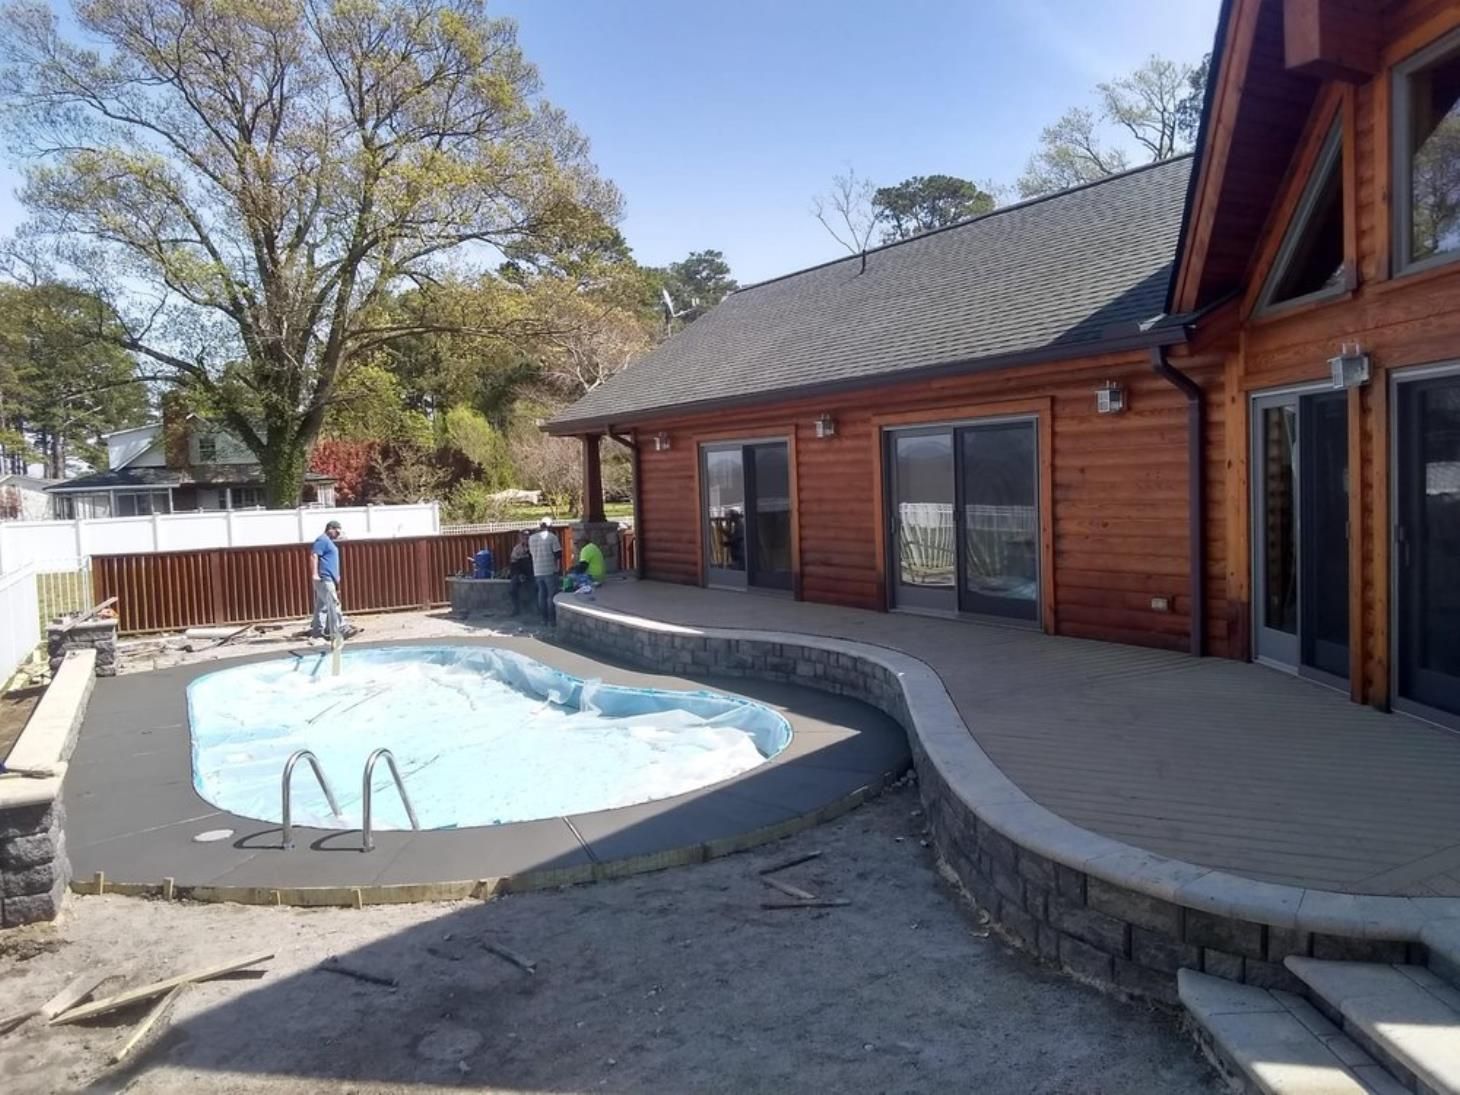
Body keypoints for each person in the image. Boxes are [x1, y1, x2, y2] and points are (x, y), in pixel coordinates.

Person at [308, 520, 355, 640]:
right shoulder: (322, 540)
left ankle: (318, 631)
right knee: (334, 603)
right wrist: (314, 574)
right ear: (331, 529)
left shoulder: (329, 542)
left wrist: (336, 576)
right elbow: (314, 555)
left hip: (329, 578)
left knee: (322, 605)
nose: (338, 534)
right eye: (337, 531)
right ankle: (341, 628)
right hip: (324, 577)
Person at [528, 518, 562, 624]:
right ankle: (552, 620)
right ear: (550, 526)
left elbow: (531, 553)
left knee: (541, 594)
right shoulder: (552, 537)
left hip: (537, 570)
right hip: (550, 570)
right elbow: (558, 554)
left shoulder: (531, 538)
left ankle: (544, 619)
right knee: (550, 595)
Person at [507, 530, 534, 615]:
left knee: (534, 588)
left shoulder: (535, 547)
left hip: (532, 573)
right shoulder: (517, 549)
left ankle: (532, 609)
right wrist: (519, 574)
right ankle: (516, 608)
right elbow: (513, 563)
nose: (525, 538)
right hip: (519, 573)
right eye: (523, 536)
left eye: (527, 536)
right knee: (512, 589)